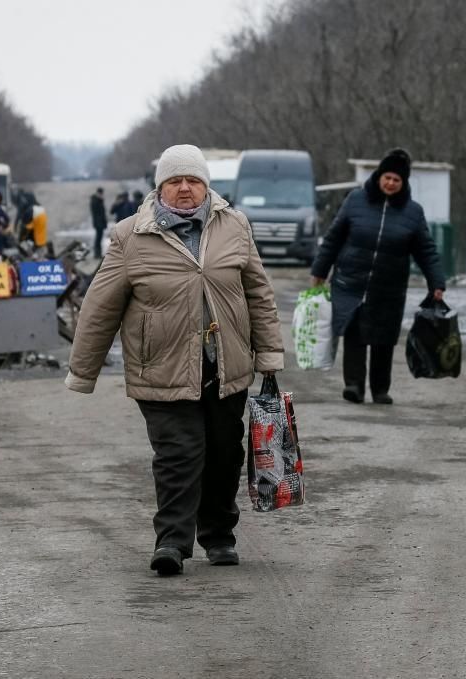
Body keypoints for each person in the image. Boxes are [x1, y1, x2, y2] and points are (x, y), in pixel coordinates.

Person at [65, 144, 284, 576]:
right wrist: (82, 370)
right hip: (161, 367)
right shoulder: (132, 235)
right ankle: (172, 541)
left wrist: (270, 352)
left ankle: (219, 537)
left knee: (224, 455)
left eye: (193, 180)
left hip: (225, 367)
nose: (185, 189)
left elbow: (258, 293)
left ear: (206, 186)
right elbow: (100, 306)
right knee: (179, 454)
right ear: (160, 187)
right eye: (175, 181)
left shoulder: (234, 225)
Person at [309, 148, 446, 405]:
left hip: (389, 288)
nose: (391, 183)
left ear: (403, 183)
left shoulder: (413, 212)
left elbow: (426, 250)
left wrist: (436, 282)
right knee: (354, 334)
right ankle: (354, 386)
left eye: (397, 180)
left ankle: (380, 389)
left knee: (383, 338)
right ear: (379, 176)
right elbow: (334, 237)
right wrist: (319, 270)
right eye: (388, 177)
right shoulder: (356, 200)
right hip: (351, 281)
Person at [89, 187, 107, 257]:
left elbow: (102, 213)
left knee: (99, 237)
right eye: (101, 193)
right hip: (98, 222)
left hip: (100, 222)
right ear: (98, 193)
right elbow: (96, 212)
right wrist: (100, 200)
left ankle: (98, 253)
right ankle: (97, 254)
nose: (102, 195)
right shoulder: (95, 200)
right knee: (98, 238)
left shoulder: (98, 200)